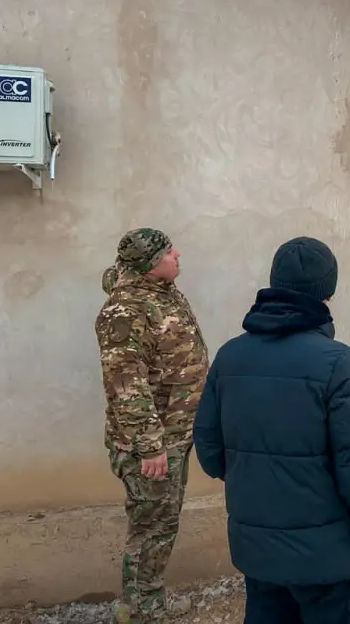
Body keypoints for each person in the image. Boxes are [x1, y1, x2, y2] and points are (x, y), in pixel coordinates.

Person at [193, 236, 350, 624]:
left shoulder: (230, 356)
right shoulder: (337, 362)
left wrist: (262, 478)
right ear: (328, 292)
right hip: (328, 561)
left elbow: (210, 451)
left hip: (258, 552)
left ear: (274, 282)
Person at [95, 228, 210, 624]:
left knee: (163, 524)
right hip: (153, 444)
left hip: (175, 435)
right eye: (166, 251)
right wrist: (150, 445)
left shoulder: (162, 293)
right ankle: (140, 613)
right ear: (148, 266)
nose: (177, 254)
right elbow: (125, 383)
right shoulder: (125, 311)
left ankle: (149, 603)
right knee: (151, 529)